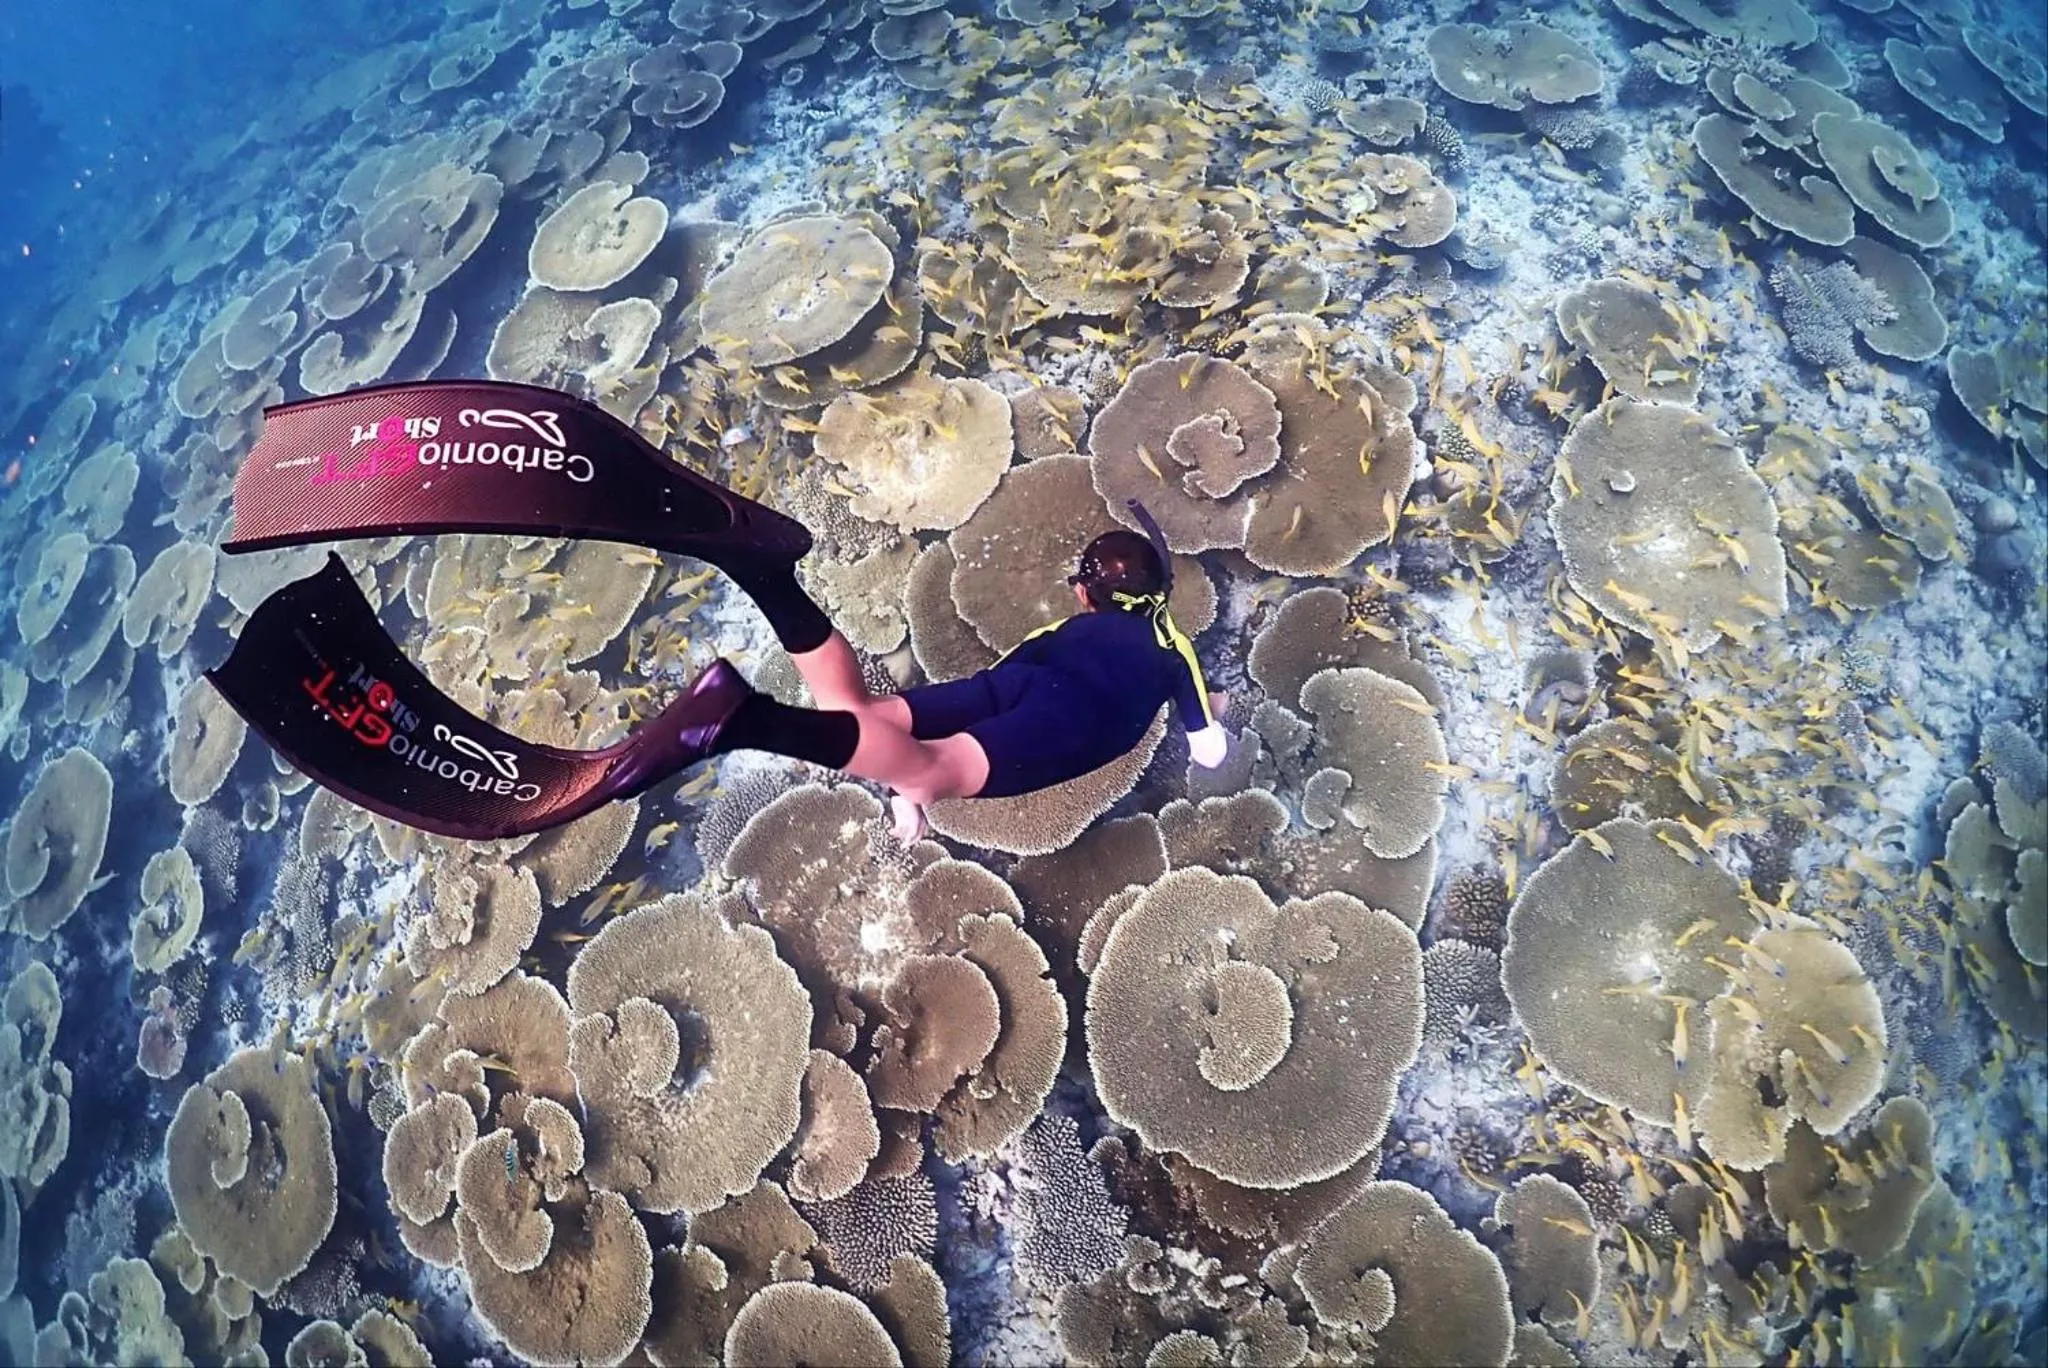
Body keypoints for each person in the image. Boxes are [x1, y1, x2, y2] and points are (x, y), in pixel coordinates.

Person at [694, 521, 1231, 843]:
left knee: (860, 712)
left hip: (1015, 687)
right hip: (1069, 723)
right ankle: (752, 723)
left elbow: (1005, 676)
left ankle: (765, 576)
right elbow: (1207, 751)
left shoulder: (1068, 626)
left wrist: (905, 767)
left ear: (1086, 596)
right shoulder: (1173, 647)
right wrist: (1210, 713)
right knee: (932, 775)